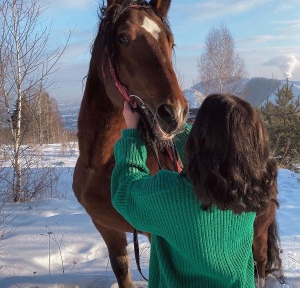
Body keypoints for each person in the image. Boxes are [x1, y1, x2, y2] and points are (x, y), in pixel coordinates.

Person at [111, 93, 278, 288]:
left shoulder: (173, 194)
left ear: (200, 138)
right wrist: (176, 129)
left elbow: (125, 192)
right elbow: (216, 157)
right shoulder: (253, 188)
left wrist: (132, 134)